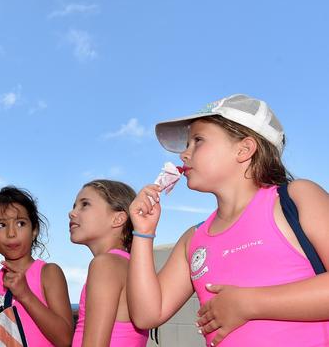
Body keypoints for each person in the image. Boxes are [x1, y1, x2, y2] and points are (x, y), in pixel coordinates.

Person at [127, 94, 329, 346]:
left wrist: (248, 304)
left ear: (244, 149)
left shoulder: (296, 198)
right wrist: (143, 233)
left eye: (197, 141)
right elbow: (147, 315)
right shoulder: (193, 239)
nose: (184, 155)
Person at [0, 186, 73, 347]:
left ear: (34, 230)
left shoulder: (48, 273)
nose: (11, 233)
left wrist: (25, 294)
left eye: (20, 223)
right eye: (1, 225)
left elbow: (65, 340)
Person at [69, 179, 148, 346]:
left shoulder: (106, 264)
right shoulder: (128, 265)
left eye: (85, 205)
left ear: (118, 219)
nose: (72, 213)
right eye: (74, 206)